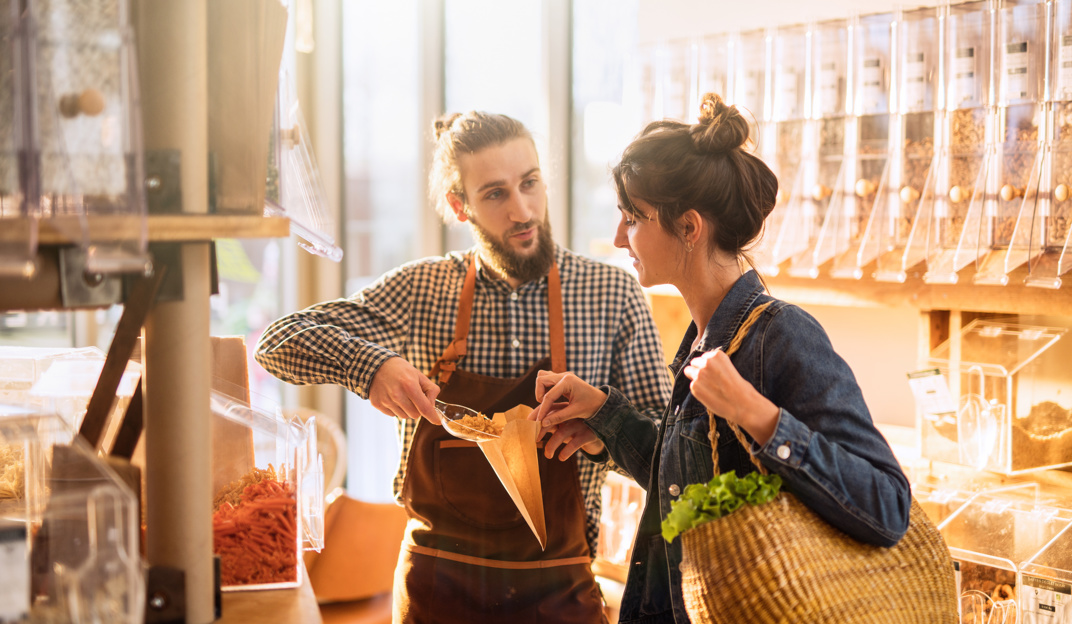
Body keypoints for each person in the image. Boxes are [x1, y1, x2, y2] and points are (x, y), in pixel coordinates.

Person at [254, 110, 671, 623]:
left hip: (559, 591)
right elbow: (277, 341)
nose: (523, 211)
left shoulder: (612, 293)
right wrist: (372, 367)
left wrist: (605, 427)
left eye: (530, 183)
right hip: (435, 592)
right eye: (495, 194)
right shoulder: (421, 289)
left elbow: (665, 449)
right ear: (459, 206)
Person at [529, 93, 912, 624]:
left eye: (633, 218)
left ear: (689, 227)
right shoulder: (704, 338)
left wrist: (757, 415)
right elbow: (693, 489)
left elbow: (888, 507)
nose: (619, 237)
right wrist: (605, 417)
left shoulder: (783, 337)